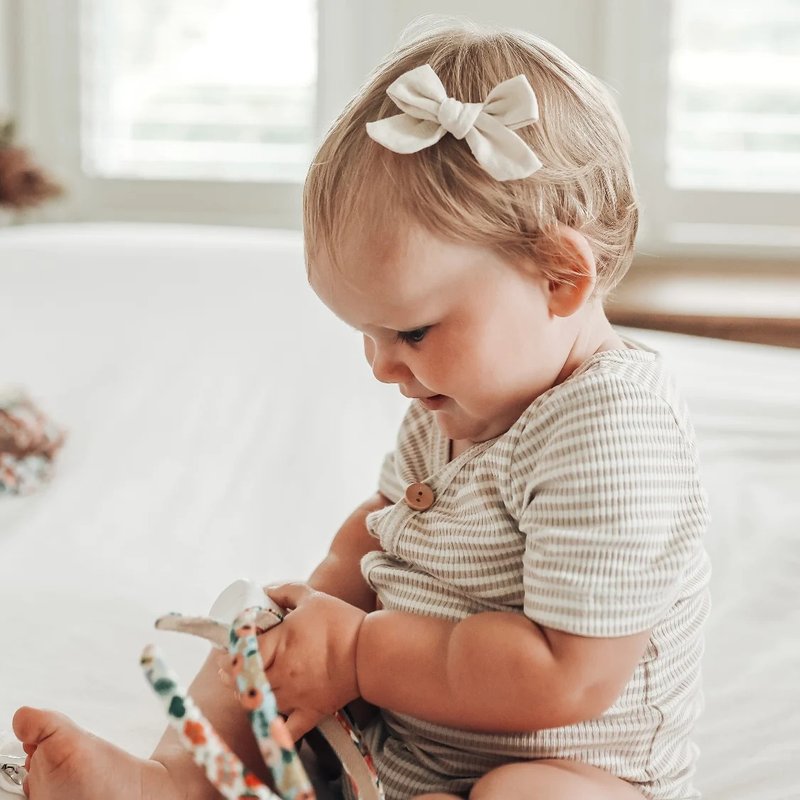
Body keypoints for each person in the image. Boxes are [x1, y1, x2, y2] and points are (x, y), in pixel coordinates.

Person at [12, 18, 711, 800]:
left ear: (558, 278)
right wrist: (316, 619)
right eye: (368, 335)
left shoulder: (613, 432)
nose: (381, 367)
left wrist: (358, 655)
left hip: (571, 771)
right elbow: (383, 525)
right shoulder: (454, 395)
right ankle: (172, 783)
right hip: (392, 747)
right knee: (255, 625)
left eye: (410, 329)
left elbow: (565, 678)